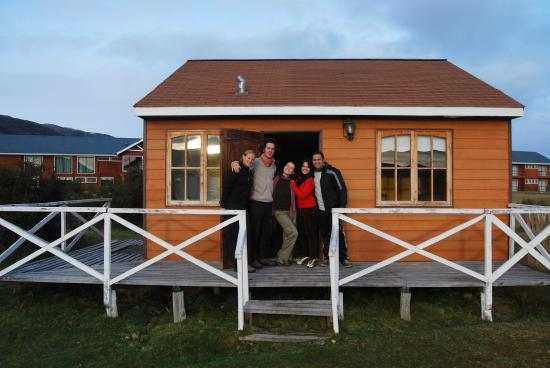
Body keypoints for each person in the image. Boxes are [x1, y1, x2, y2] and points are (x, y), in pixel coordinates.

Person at [231, 138, 277, 269]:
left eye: (272, 149)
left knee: (265, 233)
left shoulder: (274, 166)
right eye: (268, 148)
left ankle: (263, 257)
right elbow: (243, 163)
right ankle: (254, 258)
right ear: (263, 149)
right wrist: (234, 162)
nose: (270, 150)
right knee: (255, 233)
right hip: (255, 202)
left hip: (268, 203)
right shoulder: (255, 162)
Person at [312, 151, 352, 268]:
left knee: (338, 233)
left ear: (323, 160)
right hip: (320, 210)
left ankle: (344, 258)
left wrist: (341, 207)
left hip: (334, 210)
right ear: (312, 161)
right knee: (325, 235)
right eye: (314, 160)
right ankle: (328, 258)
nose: (317, 161)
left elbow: (342, 189)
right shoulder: (312, 174)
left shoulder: (332, 171)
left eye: (319, 159)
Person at [220, 150, 256, 272]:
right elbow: (227, 186)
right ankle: (237, 265)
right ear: (243, 157)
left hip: (243, 207)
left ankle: (245, 263)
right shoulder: (236, 170)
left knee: (245, 235)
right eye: (248, 158)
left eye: (252, 159)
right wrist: (224, 205)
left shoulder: (249, 172)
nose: (250, 160)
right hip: (232, 207)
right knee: (234, 236)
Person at [290, 159, 319, 268]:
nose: (305, 168)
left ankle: (313, 257)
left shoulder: (310, 180)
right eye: (303, 166)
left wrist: (292, 183)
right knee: (302, 233)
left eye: (307, 166)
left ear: (310, 169)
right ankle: (306, 255)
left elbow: (302, 195)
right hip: (300, 209)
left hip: (309, 209)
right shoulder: (299, 178)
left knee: (311, 234)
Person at [272, 161, 297, 266]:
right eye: (287, 166)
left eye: (291, 168)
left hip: (291, 211)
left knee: (287, 234)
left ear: (293, 172)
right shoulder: (275, 179)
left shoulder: (292, 182)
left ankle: (287, 259)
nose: (288, 168)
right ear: (284, 167)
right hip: (279, 211)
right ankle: (281, 256)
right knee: (293, 233)